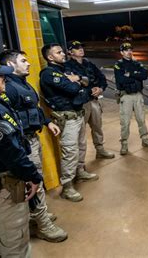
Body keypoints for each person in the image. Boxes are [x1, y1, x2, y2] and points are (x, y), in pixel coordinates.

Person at [0, 50, 68, 242]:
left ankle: (37, 215)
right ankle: (43, 224)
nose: (28, 64)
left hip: (32, 138)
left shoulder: (23, 84)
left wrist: (47, 122)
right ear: (11, 65)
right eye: (23, 61)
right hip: (23, 142)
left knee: (37, 180)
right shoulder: (9, 88)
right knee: (34, 182)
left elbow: (33, 108)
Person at [0, 57, 42, 257]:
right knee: (14, 239)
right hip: (2, 184)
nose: (5, 79)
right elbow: (10, 151)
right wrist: (32, 176)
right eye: (1, 76)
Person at [40, 43, 94, 202]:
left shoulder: (65, 70)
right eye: (58, 52)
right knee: (70, 152)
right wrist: (77, 83)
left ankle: (80, 172)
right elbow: (72, 89)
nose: (63, 54)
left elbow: (86, 82)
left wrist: (76, 79)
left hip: (78, 114)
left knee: (82, 146)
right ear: (50, 57)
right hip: (67, 118)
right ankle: (68, 187)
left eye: (62, 51)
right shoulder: (49, 74)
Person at [65, 40, 115, 163]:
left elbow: (101, 78)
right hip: (81, 104)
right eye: (77, 48)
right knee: (81, 135)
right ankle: (80, 163)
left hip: (94, 100)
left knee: (97, 127)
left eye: (81, 47)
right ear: (70, 52)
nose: (81, 49)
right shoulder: (67, 67)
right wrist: (88, 88)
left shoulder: (89, 64)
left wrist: (100, 89)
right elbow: (72, 85)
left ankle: (100, 150)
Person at [114, 42, 148, 155]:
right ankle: (124, 144)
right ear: (122, 52)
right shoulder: (119, 65)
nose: (129, 52)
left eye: (131, 49)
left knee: (141, 119)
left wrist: (130, 74)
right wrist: (136, 75)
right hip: (126, 96)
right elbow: (121, 80)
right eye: (126, 50)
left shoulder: (137, 63)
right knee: (125, 122)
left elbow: (145, 75)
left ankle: (145, 139)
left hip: (137, 95)